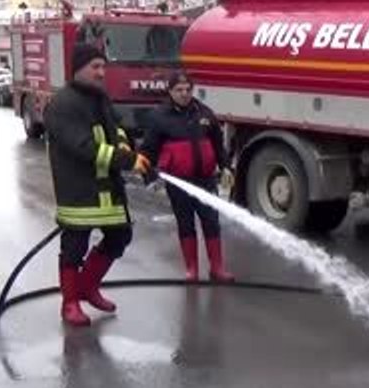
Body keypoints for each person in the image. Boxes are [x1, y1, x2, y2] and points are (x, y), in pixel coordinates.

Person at [46, 43, 151, 327]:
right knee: (74, 247)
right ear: (78, 68)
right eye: (95, 67)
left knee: (120, 236)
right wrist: (125, 160)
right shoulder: (62, 104)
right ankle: (70, 303)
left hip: (108, 189)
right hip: (78, 190)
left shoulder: (100, 98)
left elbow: (116, 129)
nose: (102, 72)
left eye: (103, 66)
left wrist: (124, 146)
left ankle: (88, 287)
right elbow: (83, 146)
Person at [140, 71, 235, 282]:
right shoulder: (159, 117)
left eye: (188, 89)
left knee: (211, 222)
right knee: (185, 224)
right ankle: (192, 270)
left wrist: (226, 167)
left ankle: (217, 268)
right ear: (170, 91)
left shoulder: (205, 113)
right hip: (179, 183)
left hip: (205, 180)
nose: (184, 94)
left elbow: (218, 145)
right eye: (179, 90)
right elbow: (148, 150)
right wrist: (149, 178)